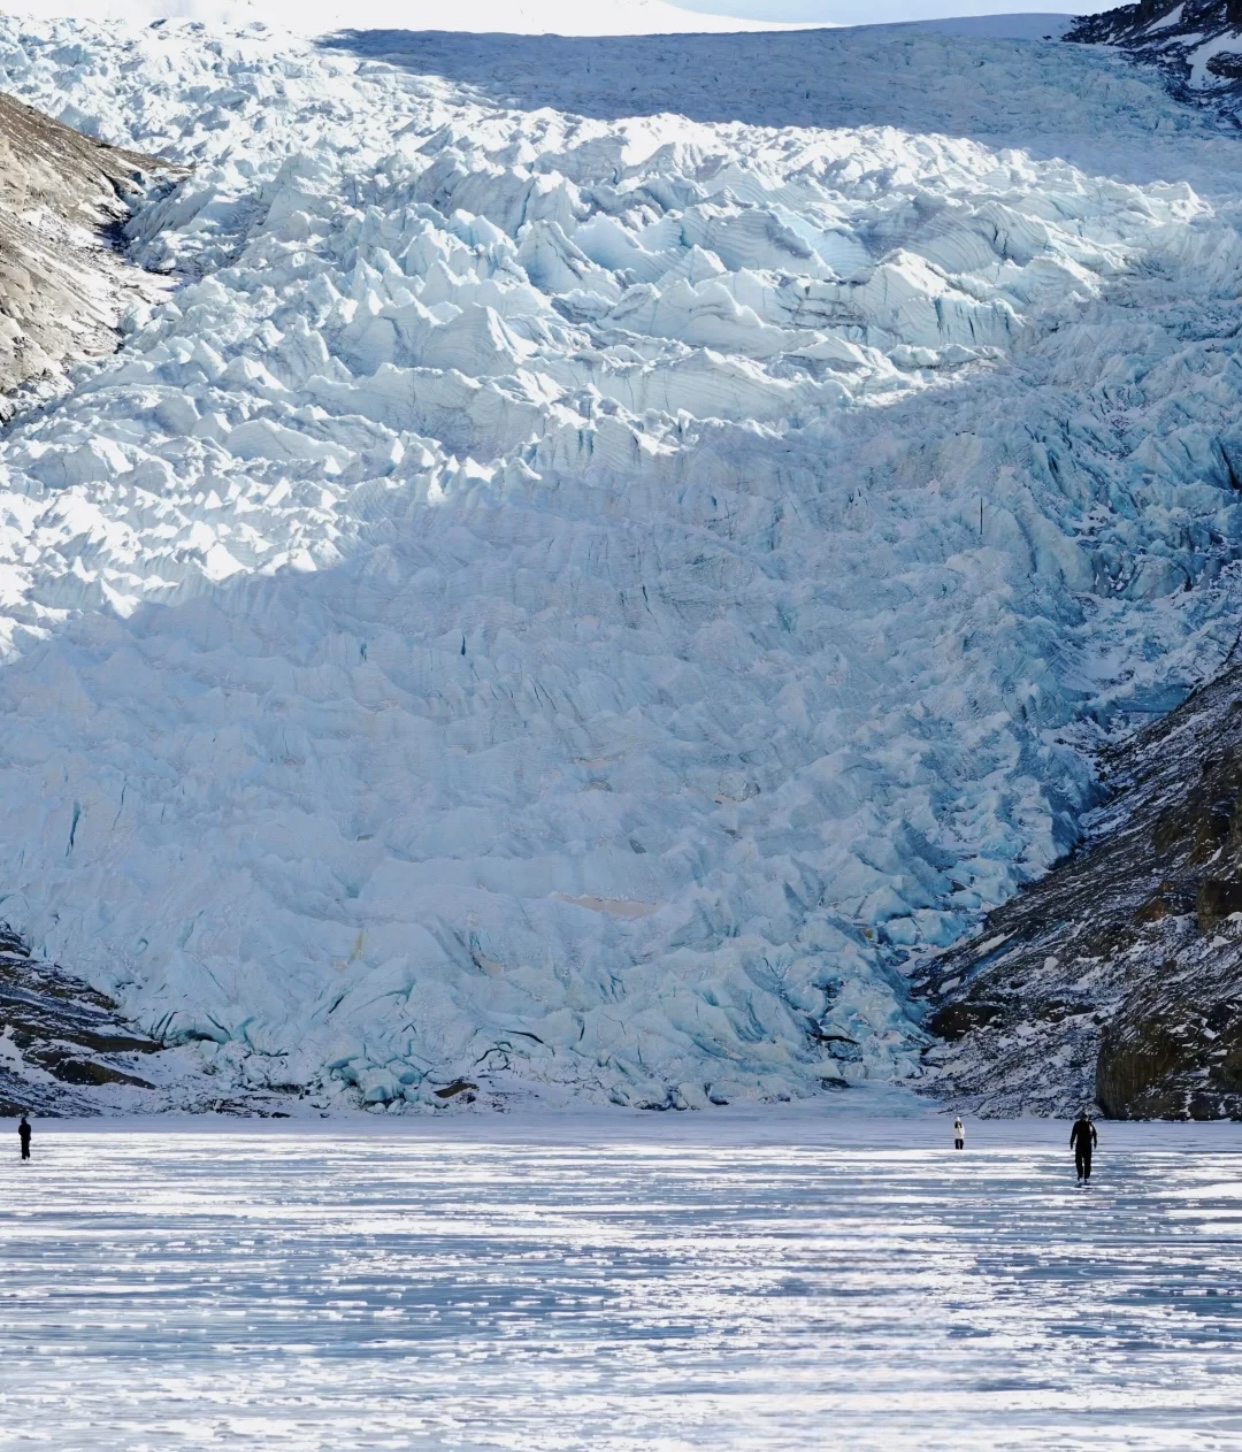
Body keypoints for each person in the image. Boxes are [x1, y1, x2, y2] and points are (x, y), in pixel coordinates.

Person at [1070, 1108, 1097, 1182]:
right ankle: (1080, 1174)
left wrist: (1095, 1142)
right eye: (1083, 1117)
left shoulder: (1090, 1124)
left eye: (1085, 1117)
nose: (1084, 1119)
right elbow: (1073, 1134)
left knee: (1087, 1161)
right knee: (1078, 1160)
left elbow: (1094, 1134)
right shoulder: (1077, 1124)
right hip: (1079, 1145)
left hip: (1088, 1145)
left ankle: (1086, 1176)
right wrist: (1071, 1142)